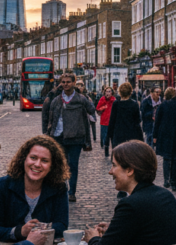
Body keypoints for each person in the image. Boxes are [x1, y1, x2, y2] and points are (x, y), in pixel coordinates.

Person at [43, 72, 96, 202]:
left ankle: (71, 191)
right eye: (63, 82)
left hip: (76, 137)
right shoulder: (56, 100)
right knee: (60, 165)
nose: (65, 84)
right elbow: (48, 118)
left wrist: (88, 103)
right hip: (59, 136)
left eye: (68, 82)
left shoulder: (81, 98)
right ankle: (61, 190)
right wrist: (47, 133)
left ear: (73, 83)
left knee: (73, 165)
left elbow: (92, 110)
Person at [107, 82, 144, 147]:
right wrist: (141, 139)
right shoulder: (134, 104)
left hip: (118, 135)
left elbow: (112, 121)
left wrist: (108, 138)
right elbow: (137, 121)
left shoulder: (116, 104)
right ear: (130, 92)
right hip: (131, 135)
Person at [96, 86, 117, 157]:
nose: (107, 93)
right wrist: (103, 107)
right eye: (106, 91)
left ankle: (114, 152)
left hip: (112, 122)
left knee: (113, 138)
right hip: (104, 122)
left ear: (112, 93)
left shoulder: (114, 100)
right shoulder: (102, 99)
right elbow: (98, 109)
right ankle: (106, 151)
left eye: (109, 91)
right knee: (105, 137)